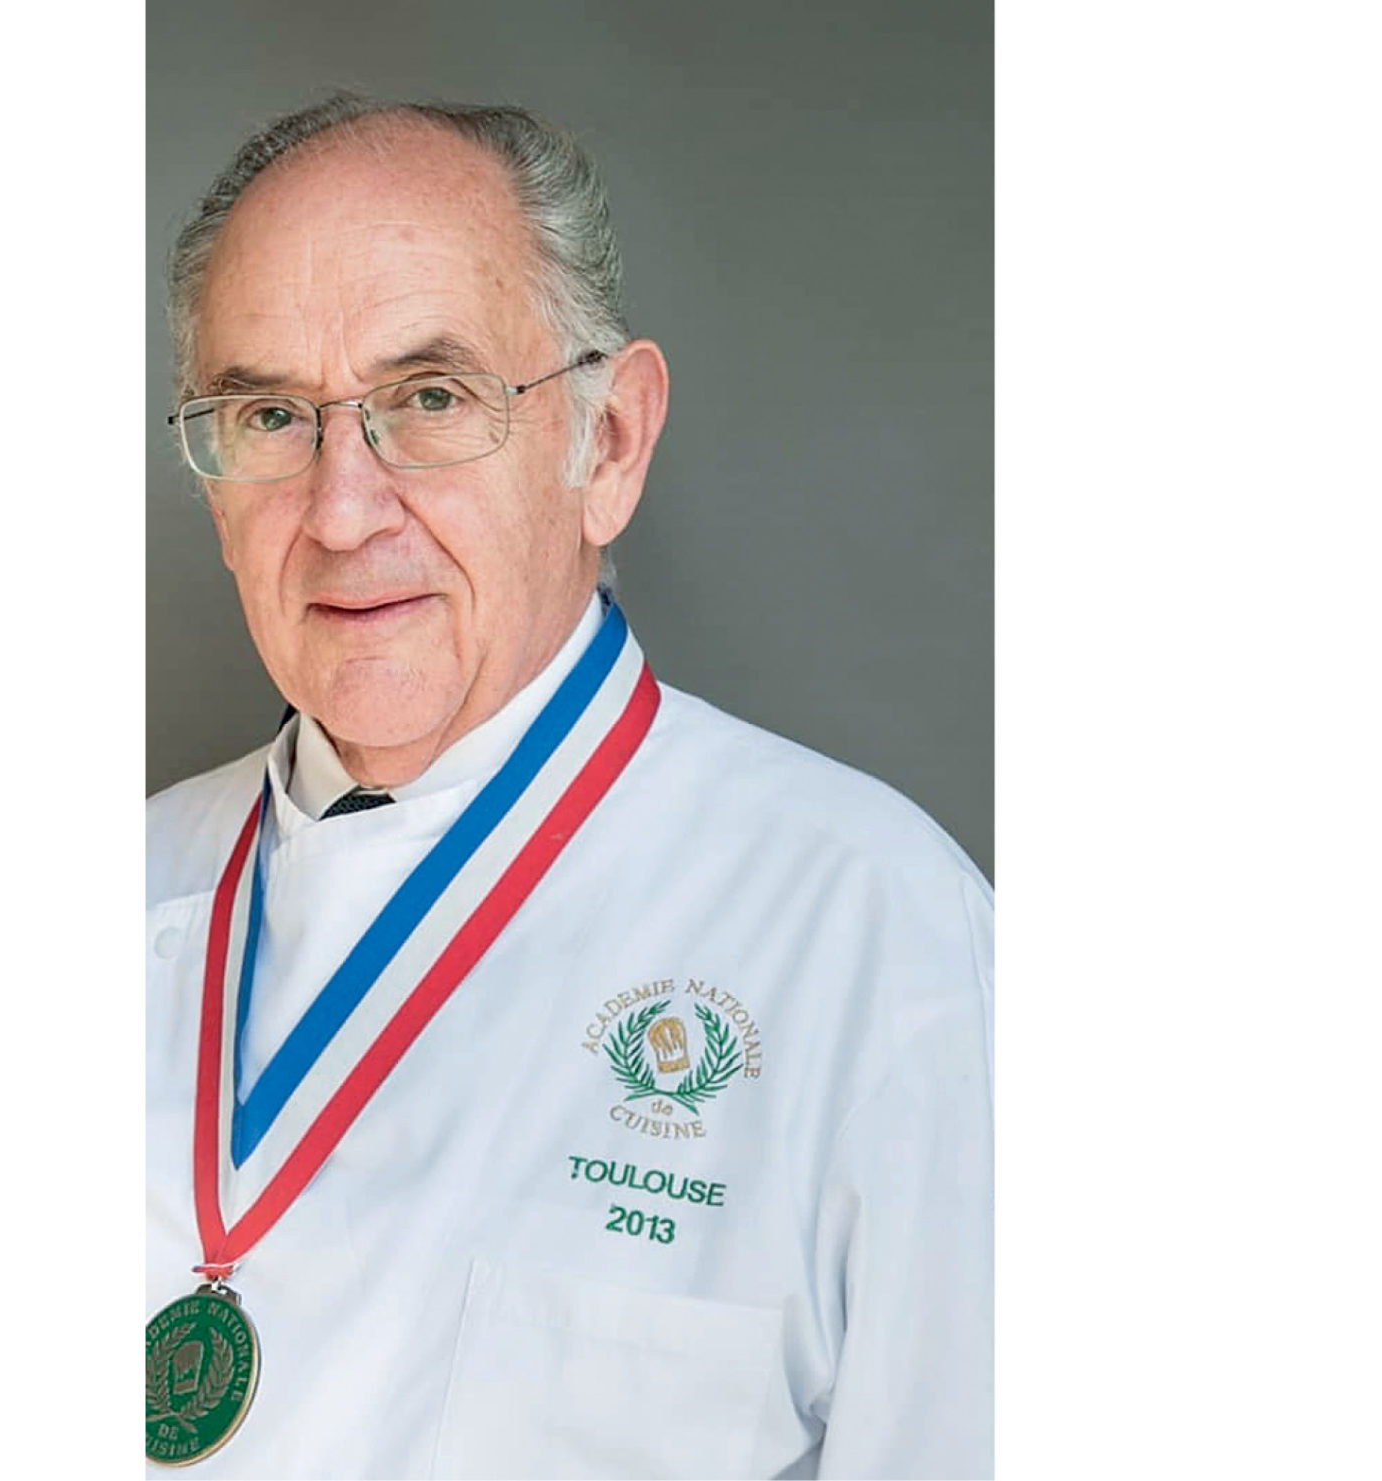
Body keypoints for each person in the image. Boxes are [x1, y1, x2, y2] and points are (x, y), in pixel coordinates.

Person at [145, 95, 992, 1478]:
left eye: (430, 399)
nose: (343, 509)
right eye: (270, 414)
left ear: (607, 446)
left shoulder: (882, 943)